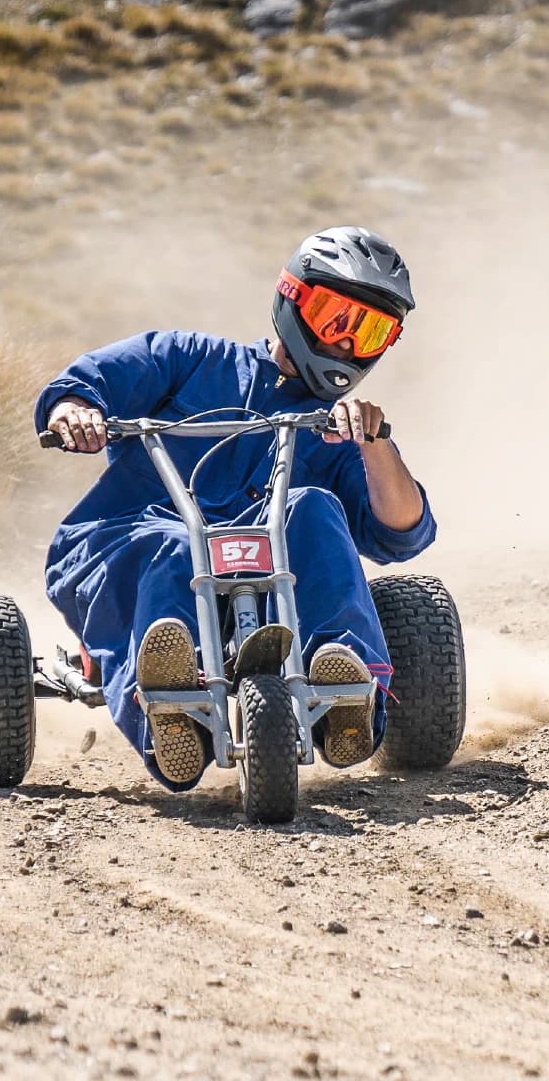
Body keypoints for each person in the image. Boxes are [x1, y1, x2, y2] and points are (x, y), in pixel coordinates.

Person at [36, 227, 434, 789]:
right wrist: (75, 410)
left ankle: (346, 696)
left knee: (314, 507)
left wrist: (376, 444)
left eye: (368, 332)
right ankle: (173, 716)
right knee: (176, 544)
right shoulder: (187, 359)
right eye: (335, 319)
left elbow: (402, 532)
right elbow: (88, 382)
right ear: (293, 298)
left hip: (272, 585)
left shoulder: (337, 427)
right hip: (130, 542)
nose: (346, 346)